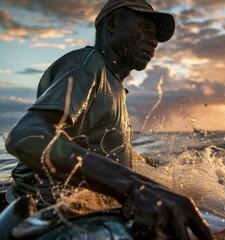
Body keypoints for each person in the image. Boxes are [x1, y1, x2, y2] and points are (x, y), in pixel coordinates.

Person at [4, 0, 212, 239]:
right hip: (46, 219)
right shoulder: (87, 65)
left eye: (156, 35)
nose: (154, 40)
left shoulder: (114, 87)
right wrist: (135, 187)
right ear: (112, 24)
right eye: (145, 28)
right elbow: (27, 136)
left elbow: (101, 149)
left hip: (87, 213)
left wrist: (160, 168)